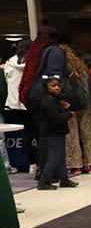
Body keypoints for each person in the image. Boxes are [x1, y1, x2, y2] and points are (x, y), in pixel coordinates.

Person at [19, 26, 69, 179]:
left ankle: (45, 170)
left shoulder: (35, 51)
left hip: (31, 96)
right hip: (44, 97)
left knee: (43, 134)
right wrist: (61, 97)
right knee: (50, 135)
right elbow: (55, 76)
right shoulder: (54, 51)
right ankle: (47, 172)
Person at [61, 45, 91, 174]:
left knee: (71, 135)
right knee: (89, 134)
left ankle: (75, 165)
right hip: (87, 103)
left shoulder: (63, 68)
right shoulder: (83, 68)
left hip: (70, 103)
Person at [37, 76, 78, 190]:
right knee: (54, 158)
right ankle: (43, 181)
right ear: (46, 87)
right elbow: (56, 117)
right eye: (53, 86)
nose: (57, 88)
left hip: (58, 132)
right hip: (52, 133)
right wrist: (69, 114)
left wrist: (63, 108)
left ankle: (64, 179)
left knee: (61, 157)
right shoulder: (49, 100)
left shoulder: (54, 99)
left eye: (58, 86)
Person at [5, 38, 36, 174]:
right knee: (39, 133)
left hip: (15, 103)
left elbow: (8, 81)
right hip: (31, 101)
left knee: (25, 134)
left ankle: (31, 165)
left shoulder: (9, 63)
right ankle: (43, 164)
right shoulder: (34, 62)